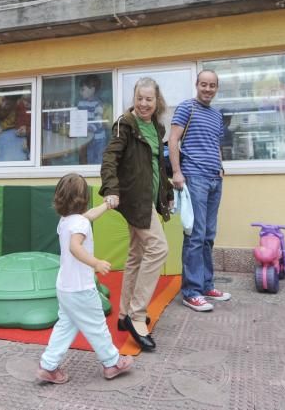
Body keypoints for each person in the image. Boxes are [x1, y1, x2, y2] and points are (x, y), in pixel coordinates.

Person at [37, 173, 133, 384]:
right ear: (83, 198)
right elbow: (75, 247)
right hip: (81, 289)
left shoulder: (66, 221)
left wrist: (106, 205)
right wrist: (96, 263)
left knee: (66, 325)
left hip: (65, 288)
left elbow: (88, 216)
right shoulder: (79, 224)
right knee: (96, 325)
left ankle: (48, 365)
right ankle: (112, 362)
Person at [100, 77, 173, 351]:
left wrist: (166, 194)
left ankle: (122, 315)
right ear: (134, 98)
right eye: (140, 98)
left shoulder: (156, 126)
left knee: (136, 254)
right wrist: (110, 187)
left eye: (149, 99)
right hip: (134, 199)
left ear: (157, 101)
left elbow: (158, 165)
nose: (144, 104)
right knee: (158, 248)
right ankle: (136, 314)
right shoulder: (125, 124)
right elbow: (110, 158)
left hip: (149, 199)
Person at [170, 69, 230, 312]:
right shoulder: (187, 107)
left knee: (208, 236)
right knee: (195, 235)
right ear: (197, 85)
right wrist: (177, 172)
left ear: (216, 88)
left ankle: (206, 285)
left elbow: (215, 144)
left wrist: (221, 167)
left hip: (214, 178)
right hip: (194, 177)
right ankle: (191, 291)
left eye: (212, 85)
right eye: (204, 84)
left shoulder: (216, 115)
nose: (208, 89)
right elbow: (173, 140)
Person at [76, 74, 107, 165]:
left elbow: (98, 122)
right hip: (87, 138)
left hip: (99, 138)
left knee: (99, 159)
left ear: (92, 90)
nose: (80, 92)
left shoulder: (98, 103)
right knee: (90, 158)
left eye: (83, 89)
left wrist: (89, 128)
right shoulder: (80, 103)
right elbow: (78, 118)